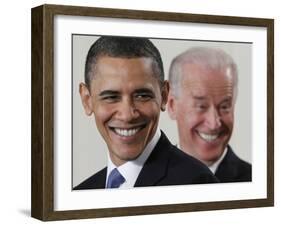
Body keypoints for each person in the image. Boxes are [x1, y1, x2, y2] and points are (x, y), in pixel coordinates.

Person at [74, 37, 218, 189]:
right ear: (87, 99)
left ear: (164, 96)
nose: (127, 115)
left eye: (142, 96)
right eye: (111, 97)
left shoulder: (198, 184)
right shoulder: (80, 194)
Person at [167, 47, 252, 183]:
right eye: (201, 106)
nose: (214, 123)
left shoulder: (260, 182)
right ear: (172, 105)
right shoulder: (143, 180)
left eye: (224, 107)